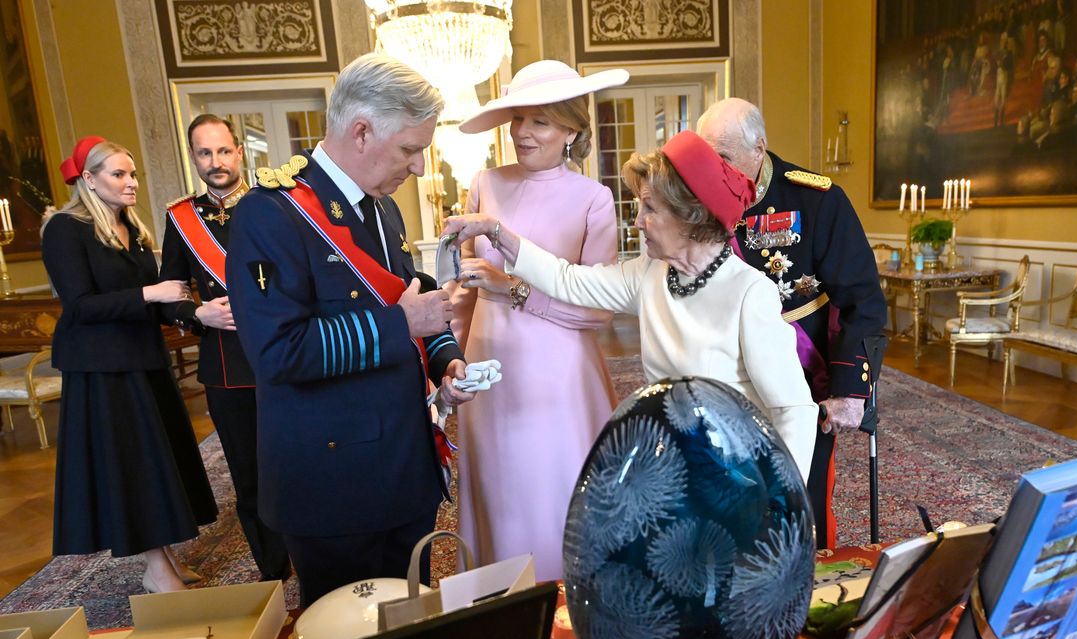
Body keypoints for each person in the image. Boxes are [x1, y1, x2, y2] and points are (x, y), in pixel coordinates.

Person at [225, 54, 472, 606]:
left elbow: (411, 299)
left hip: (404, 467)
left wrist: (445, 360)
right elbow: (277, 353)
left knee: (412, 621)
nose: (418, 169)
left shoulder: (382, 210)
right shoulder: (271, 215)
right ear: (361, 131)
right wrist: (402, 323)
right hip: (333, 482)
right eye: (410, 149)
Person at [444, 130, 817, 481]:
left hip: (734, 473)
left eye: (650, 208)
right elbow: (567, 280)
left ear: (691, 216)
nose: (637, 222)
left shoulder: (748, 293)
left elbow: (794, 410)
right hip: (669, 466)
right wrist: (497, 231)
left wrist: (782, 502)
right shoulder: (651, 272)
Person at [448, 60, 628, 580]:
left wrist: (513, 290)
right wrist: (447, 359)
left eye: (540, 122)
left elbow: (599, 308)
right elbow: (465, 285)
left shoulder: (593, 198)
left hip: (558, 370)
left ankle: (569, 612)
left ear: (571, 129)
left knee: (552, 490)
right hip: (487, 359)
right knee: (496, 489)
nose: (523, 133)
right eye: (518, 119)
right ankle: (502, 603)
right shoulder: (486, 182)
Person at [696, 98, 888, 549]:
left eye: (723, 156)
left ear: (758, 148)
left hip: (801, 378)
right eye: (707, 157)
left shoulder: (815, 200)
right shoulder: (697, 199)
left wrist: (848, 390)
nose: (713, 169)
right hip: (725, 371)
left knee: (803, 497)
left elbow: (862, 299)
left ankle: (807, 589)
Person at [42, 137, 217, 593]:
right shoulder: (65, 228)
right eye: (119, 174)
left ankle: (164, 556)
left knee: (160, 462)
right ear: (89, 180)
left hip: (143, 359)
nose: (131, 182)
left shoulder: (132, 229)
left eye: (133, 174)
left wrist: (195, 313)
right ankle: (155, 568)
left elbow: (159, 300)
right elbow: (79, 306)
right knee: (134, 466)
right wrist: (150, 293)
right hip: (103, 370)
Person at [160, 114, 291, 582]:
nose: (215, 162)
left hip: (287, 355)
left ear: (239, 152)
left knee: (302, 465)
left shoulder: (274, 204)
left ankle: (317, 557)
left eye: (223, 151)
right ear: (194, 157)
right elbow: (169, 292)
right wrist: (197, 314)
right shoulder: (182, 219)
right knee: (250, 480)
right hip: (227, 368)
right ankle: (273, 573)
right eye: (204, 153)